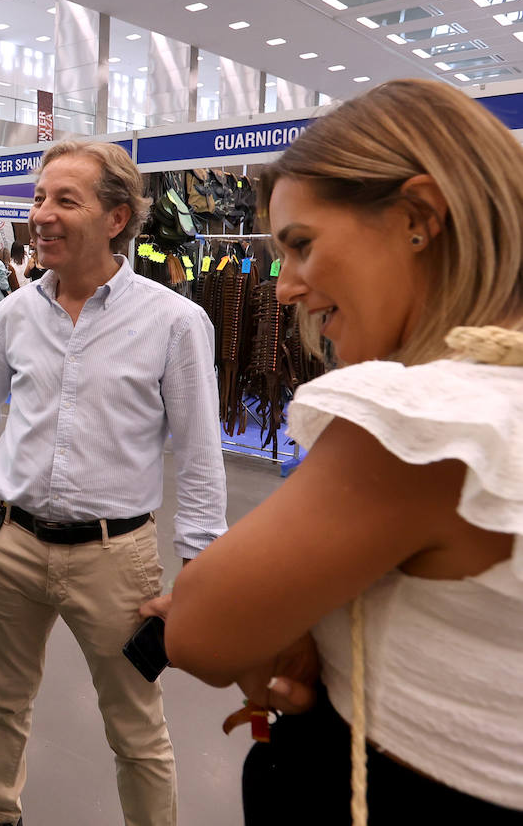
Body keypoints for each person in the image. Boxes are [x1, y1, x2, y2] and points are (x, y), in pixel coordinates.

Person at [164, 79, 523, 824]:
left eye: (301, 245)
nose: (286, 286)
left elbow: (200, 631)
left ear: (420, 217)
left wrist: (296, 627)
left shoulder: (428, 420)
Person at [0, 139, 228, 826]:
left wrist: (197, 570)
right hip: (12, 542)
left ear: (116, 218)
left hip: (117, 559)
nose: (40, 215)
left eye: (63, 200)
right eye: (38, 198)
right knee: (5, 699)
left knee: (135, 730)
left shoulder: (174, 320)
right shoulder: (17, 313)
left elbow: (201, 454)